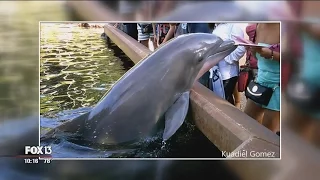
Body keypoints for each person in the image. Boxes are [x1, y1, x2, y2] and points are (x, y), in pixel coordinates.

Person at [243, 23, 280, 133]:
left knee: (267, 135)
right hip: (260, 82)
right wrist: (253, 50)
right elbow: (259, 58)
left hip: (279, 87)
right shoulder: (258, 25)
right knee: (246, 125)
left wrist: (272, 54)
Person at [211, 23, 246, 105]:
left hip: (228, 74)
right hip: (216, 73)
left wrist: (226, 58)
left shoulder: (234, 27)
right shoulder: (216, 26)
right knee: (221, 100)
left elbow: (241, 48)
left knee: (224, 101)